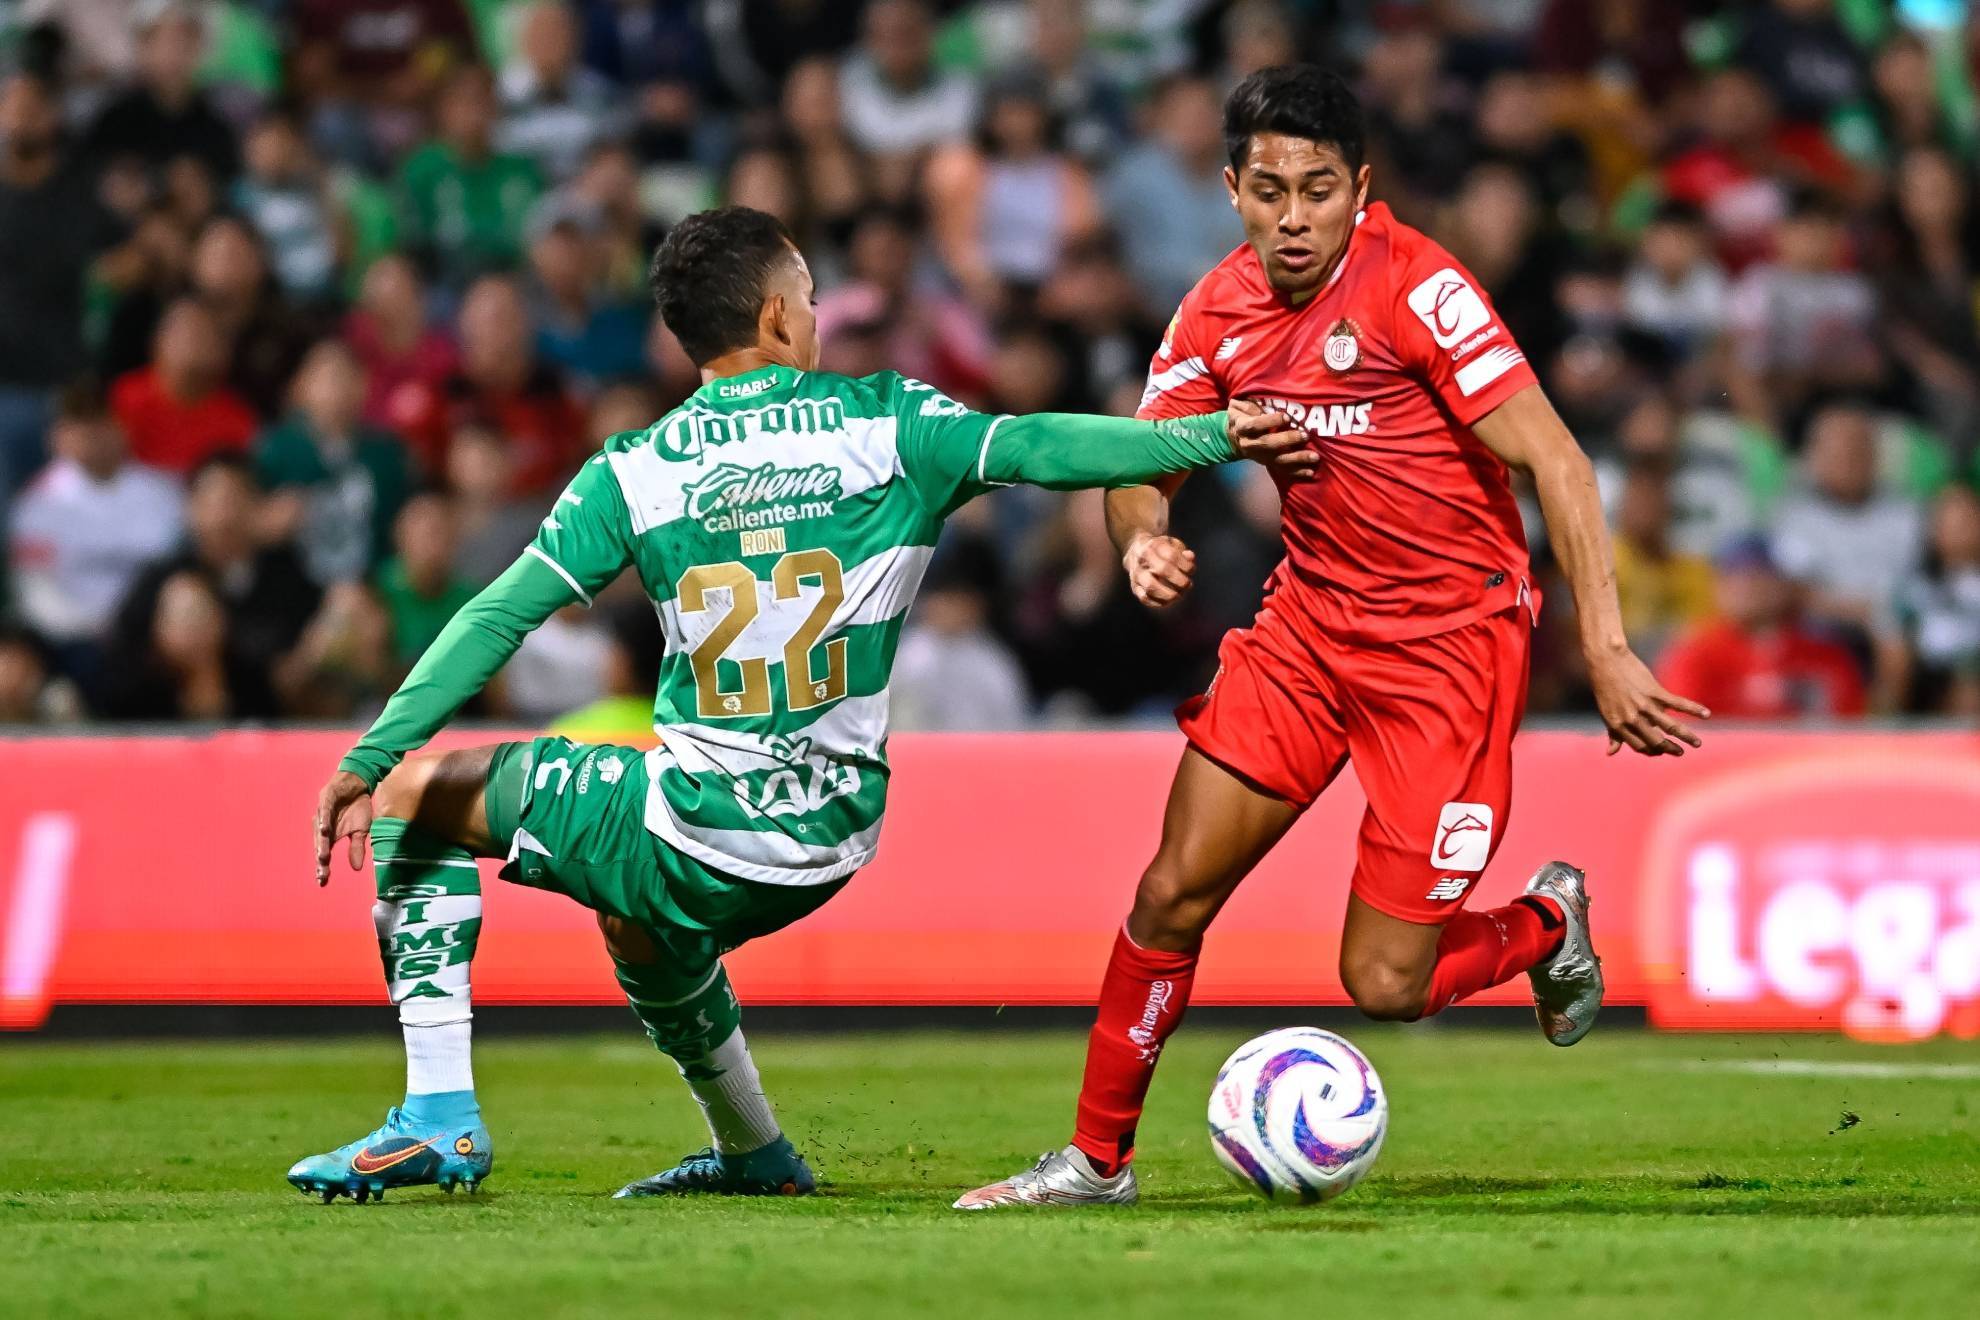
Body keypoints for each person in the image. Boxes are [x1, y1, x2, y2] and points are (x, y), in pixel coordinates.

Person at [291, 204, 1307, 1203]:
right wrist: (1216, 435)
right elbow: (1041, 446)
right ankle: (755, 1155)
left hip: (701, 823)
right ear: (777, 319)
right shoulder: (887, 424)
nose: (815, 315)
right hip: (834, 834)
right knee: (638, 922)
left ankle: (437, 1115)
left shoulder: (635, 474)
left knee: (417, 796)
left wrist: (374, 753)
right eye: (810, 296)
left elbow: (496, 616)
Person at [957, 66, 1708, 1211]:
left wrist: (1606, 648)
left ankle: (1548, 920)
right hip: (1308, 631)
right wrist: (1141, 536)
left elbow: (1557, 460)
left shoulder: (1421, 289)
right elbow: (1143, 457)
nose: (1293, 217)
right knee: (1170, 893)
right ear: (1233, 190)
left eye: (1318, 190)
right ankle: (1095, 1163)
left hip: (1448, 654)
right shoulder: (1214, 308)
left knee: (1385, 981)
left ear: (1360, 188)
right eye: (1269, 191)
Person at [1657, 534, 1867, 720]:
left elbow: (1851, 729)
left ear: (1788, 584)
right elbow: (1684, 728)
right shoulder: (1696, 651)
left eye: (1761, 573)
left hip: (1811, 760)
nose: (1748, 584)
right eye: (1735, 573)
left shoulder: (1827, 655)